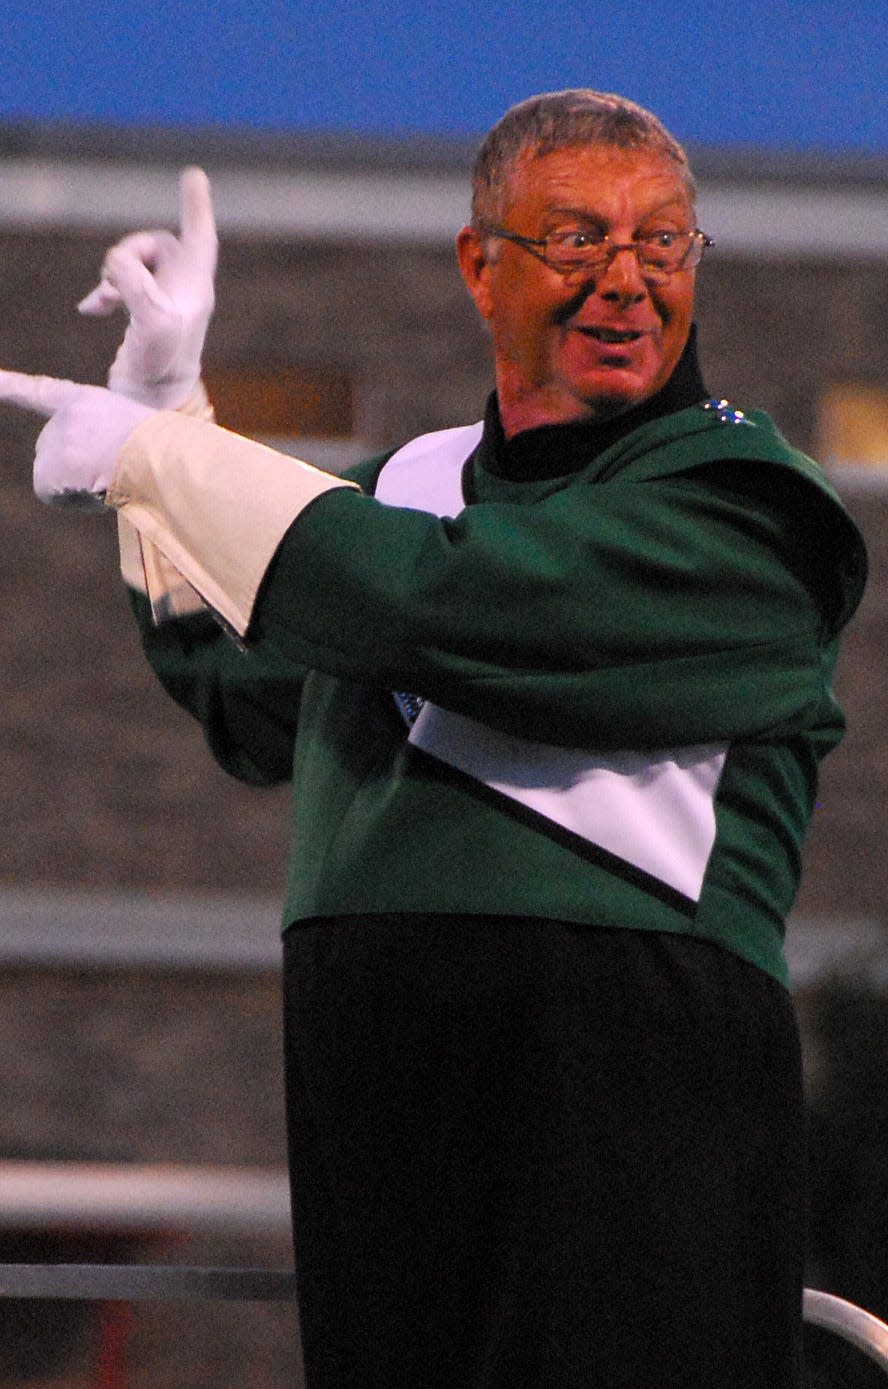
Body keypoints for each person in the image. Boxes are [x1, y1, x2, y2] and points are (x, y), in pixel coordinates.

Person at [0, 90, 867, 1388]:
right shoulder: (407, 484)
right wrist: (169, 409)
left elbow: (456, 602)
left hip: (628, 1098)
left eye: (665, 242)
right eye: (576, 240)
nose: (626, 281)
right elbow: (247, 692)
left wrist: (169, 465)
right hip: (381, 1097)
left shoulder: (746, 502)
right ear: (480, 264)